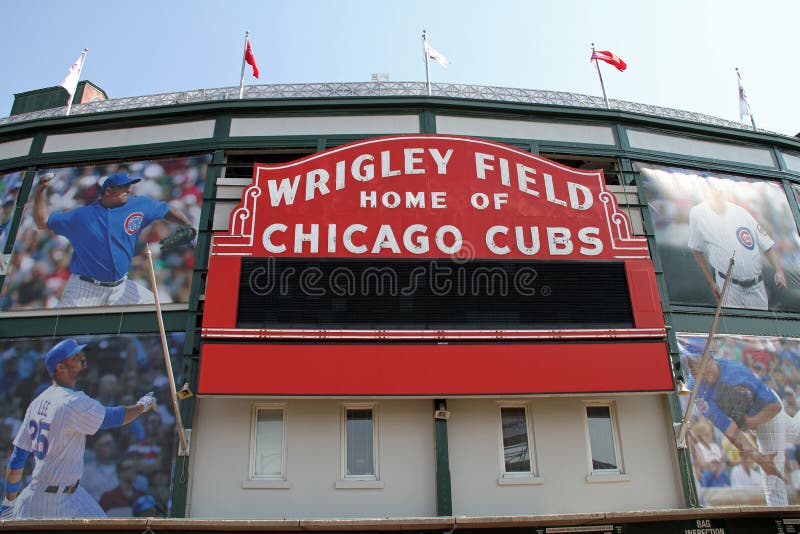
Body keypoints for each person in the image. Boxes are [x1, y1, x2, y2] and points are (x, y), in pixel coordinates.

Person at [0, 339, 157, 519]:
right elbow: (113, 417)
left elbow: (18, 459)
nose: (82, 358)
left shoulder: (38, 402)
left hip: (71, 493)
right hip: (50, 501)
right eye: (75, 357)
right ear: (60, 367)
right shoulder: (71, 401)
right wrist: (142, 406)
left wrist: (9, 501)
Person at [32, 172, 194, 307]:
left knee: (159, 310)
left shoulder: (140, 205)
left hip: (121, 287)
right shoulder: (81, 216)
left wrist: (187, 224)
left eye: (129, 186)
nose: (128, 190)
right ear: (108, 191)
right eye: (123, 187)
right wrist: (39, 192)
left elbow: (166, 211)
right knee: (62, 332)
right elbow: (43, 222)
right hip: (86, 289)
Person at [685, 355, 791, 505]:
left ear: (710, 358)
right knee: (794, 431)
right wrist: (756, 455)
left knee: (772, 477)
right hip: (748, 419)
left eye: (706, 369)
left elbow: (775, 407)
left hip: (767, 413)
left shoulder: (735, 369)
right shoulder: (697, 389)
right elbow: (728, 429)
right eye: (699, 374)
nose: (705, 377)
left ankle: (780, 523)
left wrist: (750, 422)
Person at [688, 179, 786, 310]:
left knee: (761, 327)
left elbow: (766, 245)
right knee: (734, 327)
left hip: (755, 285)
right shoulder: (698, 213)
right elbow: (696, 250)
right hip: (728, 286)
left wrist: (779, 271)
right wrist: (712, 283)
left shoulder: (741, 212)